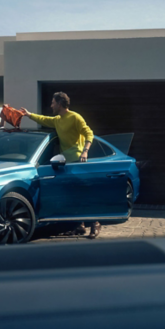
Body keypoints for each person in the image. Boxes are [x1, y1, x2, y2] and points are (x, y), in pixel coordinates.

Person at [20, 92, 102, 239]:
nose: (51, 105)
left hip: (78, 161)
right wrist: (28, 114)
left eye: (53, 103)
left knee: (82, 195)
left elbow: (89, 133)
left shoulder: (75, 117)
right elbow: (44, 119)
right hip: (65, 163)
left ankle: (95, 223)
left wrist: (85, 151)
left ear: (59, 103)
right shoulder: (58, 120)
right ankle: (79, 226)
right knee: (71, 196)